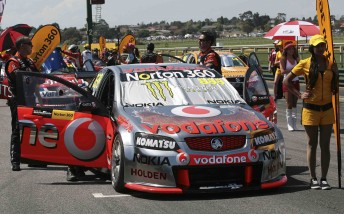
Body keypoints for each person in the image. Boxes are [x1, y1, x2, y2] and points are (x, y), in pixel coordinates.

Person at [284, 34, 338, 190]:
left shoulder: (330, 64)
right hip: (310, 110)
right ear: (312, 48)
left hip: (327, 109)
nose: (321, 48)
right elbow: (287, 81)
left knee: (325, 145)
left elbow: (334, 88)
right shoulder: (304, 63)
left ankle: (324, 178)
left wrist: (336, 73)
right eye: (318, 46)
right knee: (312, 144)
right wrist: (299, 95)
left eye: (322, 45)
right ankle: (313, 178)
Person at [5, 36, 42, 171]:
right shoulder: (12, 62)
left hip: (30, 99)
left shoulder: (31, 62)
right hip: (18, 99)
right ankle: (16, 160)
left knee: (32, 127)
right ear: (21, 46)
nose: (32, 47)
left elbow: (39, 79)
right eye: (29, 44)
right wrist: (32, 78)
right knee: (17, 129)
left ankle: (32, 158)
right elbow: (19, 78)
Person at [280, 41, 300, 131]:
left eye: (292, 48)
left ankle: (294, 123)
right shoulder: (283, 59)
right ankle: (289, 124)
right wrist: (293, 70)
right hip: (287, 83)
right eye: (289, 49)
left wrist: (299, 65)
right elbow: (282, 71)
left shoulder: (296, 58)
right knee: (289, 103)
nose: (291, 50)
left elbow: (300, 68)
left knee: (295, 103)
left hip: (296, 82)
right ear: (286, 50)